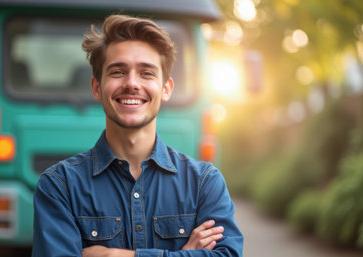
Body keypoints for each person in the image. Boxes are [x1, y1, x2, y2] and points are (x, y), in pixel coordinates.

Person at [32, 14, 243, 257]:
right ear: (97, 88)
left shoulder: (205, 183)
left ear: (166, 89)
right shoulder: (59, 186)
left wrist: (117, 255)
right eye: (118, 72)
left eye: (146, 73)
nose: (132, 83)